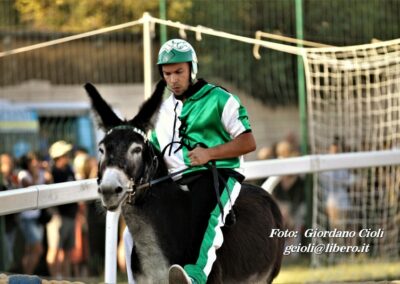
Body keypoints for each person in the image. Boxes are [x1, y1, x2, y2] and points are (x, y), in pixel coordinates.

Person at [124, 39, 256, 284]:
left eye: (178, 72)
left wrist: (210, 153)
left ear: (192, 69)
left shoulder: (220, 99)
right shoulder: (161, 111)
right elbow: (152, 153)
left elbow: (248, 142)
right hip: (172, 182)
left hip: (217, 174)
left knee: (205, 214)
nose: (173, 79)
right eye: (167, 74)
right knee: (132, 230)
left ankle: (194, 278)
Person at [17, 152, 51, 274]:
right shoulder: (23, 174)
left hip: (37, 217)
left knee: (30, 250)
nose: (36, 163)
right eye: (32, 161)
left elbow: (49, 182)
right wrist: (36, 174)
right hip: (27, 218)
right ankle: (27, 276)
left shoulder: (41, 173)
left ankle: (26, 277)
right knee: (38, 249)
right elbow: (30, 188)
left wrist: (47, 169)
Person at [48, 140, 77, 278]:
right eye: (65, 153)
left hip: (70, 216)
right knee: (54, 249)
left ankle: (66, 278)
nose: (68, 155)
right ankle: (54, 278)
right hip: (58, 217)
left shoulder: (69, 170)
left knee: (67, 250)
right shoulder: (52, 173)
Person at [0, 153, 19, 270]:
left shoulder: (12, 179)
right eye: (5, 162)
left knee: (9, 258)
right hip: (3, 226)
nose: (9, 165)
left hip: (11, 224)